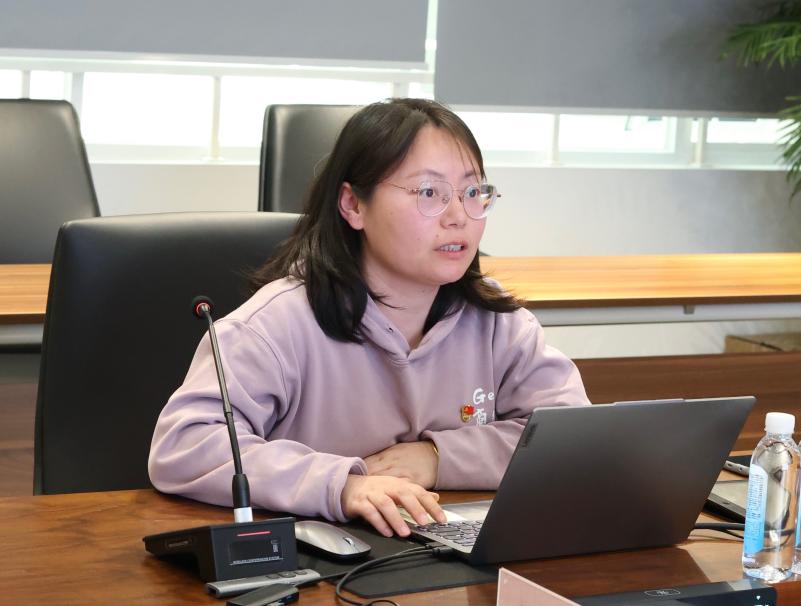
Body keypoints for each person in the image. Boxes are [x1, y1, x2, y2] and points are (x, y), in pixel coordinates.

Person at [148, 98, 589, 538]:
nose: (459, 217)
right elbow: (184, 445)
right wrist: (341, 485)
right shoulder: (277, 324)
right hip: (321, 558)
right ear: (353, 205)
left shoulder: (497, 322)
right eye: (429, 193)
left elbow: (573, 439)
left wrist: (438, 457)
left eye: (472, 193)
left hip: (445, 548)